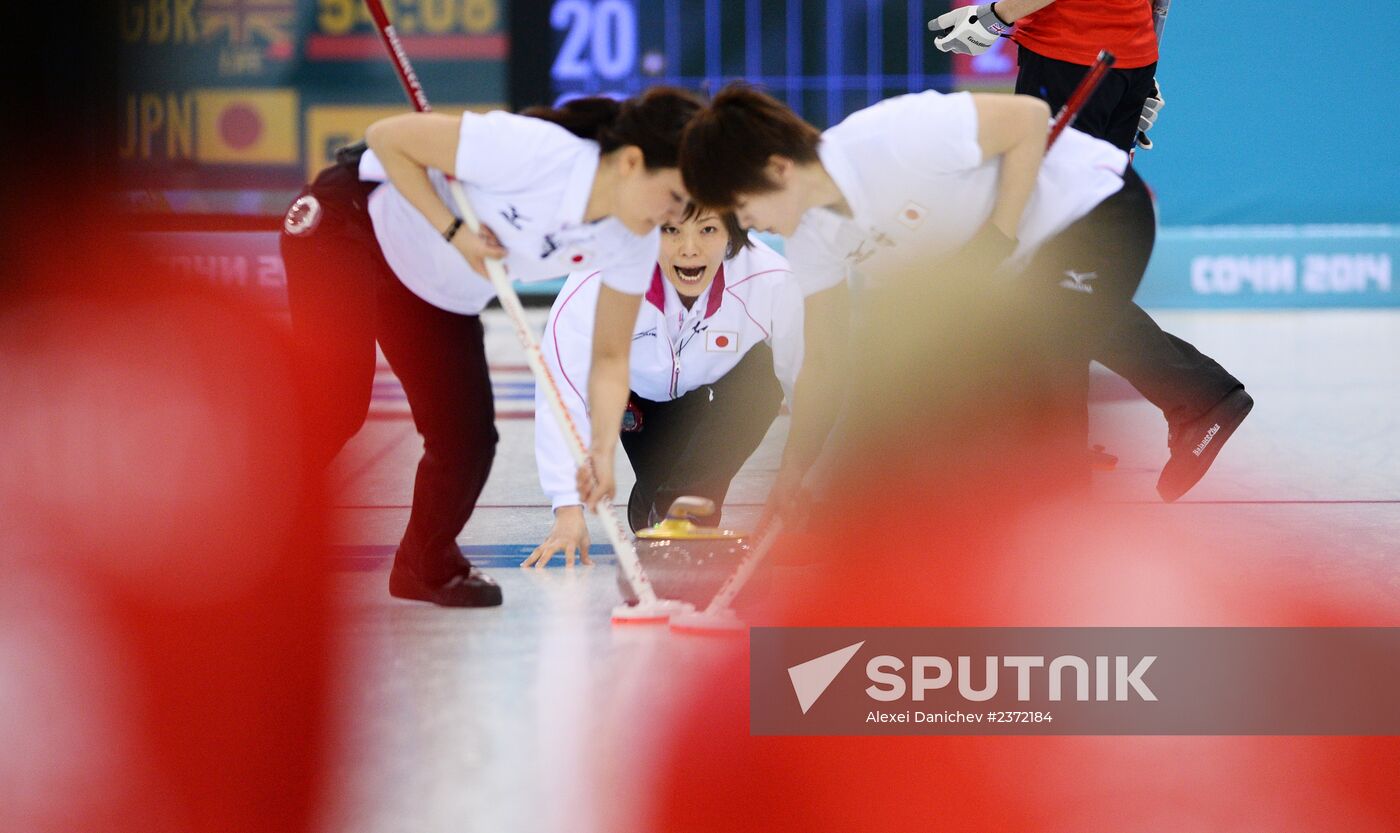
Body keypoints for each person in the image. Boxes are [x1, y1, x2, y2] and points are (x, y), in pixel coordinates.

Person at [648, 82, 1160, 518]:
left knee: (1036, 370)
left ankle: (1062, 542)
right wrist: (795, 472)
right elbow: (824, 360)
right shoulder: (811, 234)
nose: (748, 224)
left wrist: (998, 236)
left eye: (742, 205)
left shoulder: (894, 139)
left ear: (780, 169)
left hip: (1096, 211)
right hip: (1019, 269)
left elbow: (1030, 116)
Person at [278, 87, 705, 607]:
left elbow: (611, 356)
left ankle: (424, 564)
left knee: (467, 440)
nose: (674, 214)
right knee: (335, 403)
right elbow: (386, 138)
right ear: (633, 163)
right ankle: (243, 541)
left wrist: (599, 451)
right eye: (674, 197)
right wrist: (456, 231)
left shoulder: (631, 241)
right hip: (350, 224)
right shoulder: (538, 152)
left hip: (432, 286)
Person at [929, 0, 1253, 500]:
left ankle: (1185, 401)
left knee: (1050, 268)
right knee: (1063, 266)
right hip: (1120, 57)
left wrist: (996, 17)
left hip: (1071, 57)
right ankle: (1071, 447)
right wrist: (1141, 68)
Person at [524, 205, 804, 567]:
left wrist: (806, 476)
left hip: (719, 393)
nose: (689, 248)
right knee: (652, 510)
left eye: (707, 230)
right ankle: (660, 506)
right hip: (638, 398)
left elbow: (806, 376)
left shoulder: (770, 279)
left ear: (733, 235)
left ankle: (685, 510)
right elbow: (562, 393)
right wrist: (567, 510)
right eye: (671, 231)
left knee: (763, 374)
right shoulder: (599, 282)